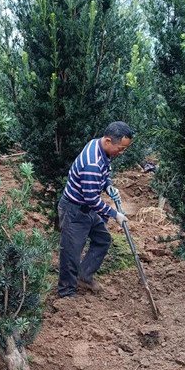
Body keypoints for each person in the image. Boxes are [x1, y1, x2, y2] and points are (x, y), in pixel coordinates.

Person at [57, 121, 134, 298]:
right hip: (74, 210)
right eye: (120, 148)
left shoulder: (99, 146)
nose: (121, 152)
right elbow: (91, 199)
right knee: (71, 254)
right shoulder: (92, 163)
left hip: (88, 209)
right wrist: (115, 215)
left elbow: (104, 173)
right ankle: (66, 296)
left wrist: (108, 186)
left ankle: (84, 275)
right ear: (108, 141)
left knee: (103, 239)